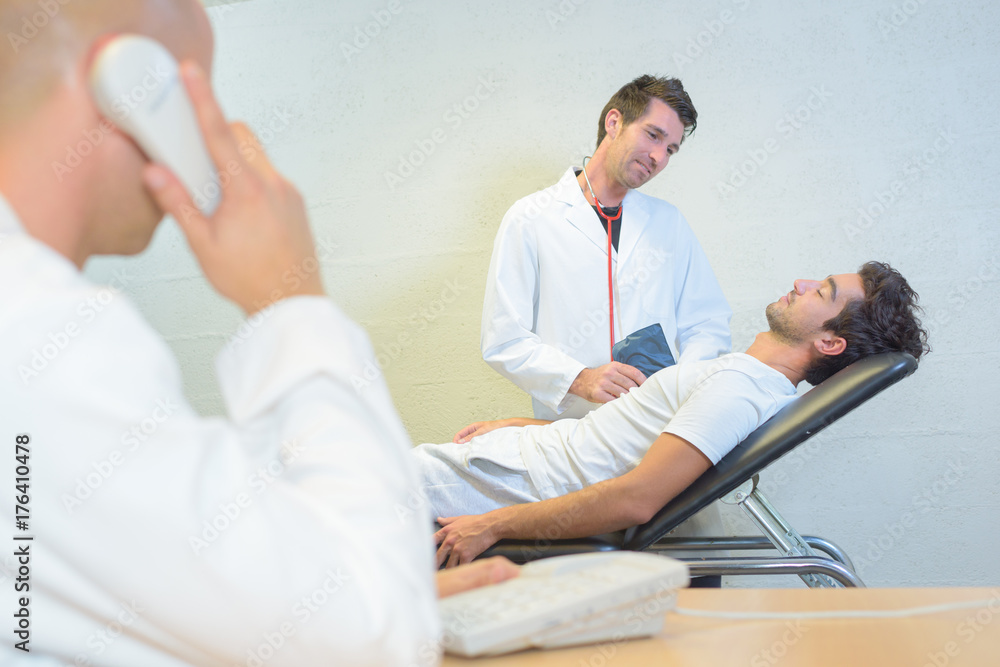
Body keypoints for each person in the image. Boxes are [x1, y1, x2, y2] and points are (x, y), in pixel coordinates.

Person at [0, 2, 514, 665]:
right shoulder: (49, 339)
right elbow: (376, 647)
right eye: (197, 95)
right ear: (128, 80)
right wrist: (291, 303)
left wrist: (333, 599)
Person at [417, 263, 930, 567]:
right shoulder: (740, 376)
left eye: (821, 291)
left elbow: (636, 499)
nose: (801, 282)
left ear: (831, 342)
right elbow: (617, 443)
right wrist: (524, 426)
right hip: (509, 464)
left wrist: (491, 526)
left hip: (501, 485)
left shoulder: (739, 390)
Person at [480, 74, 732, 423]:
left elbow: (707, 323)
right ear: (614, 122)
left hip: (660, 426)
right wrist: (580, 379)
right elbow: (504, 339)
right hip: (573, 432)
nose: (659, 156)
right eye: (653, 135)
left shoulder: (669, 223)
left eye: (671, 150)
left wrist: (677, 390)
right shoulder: (531, 218)